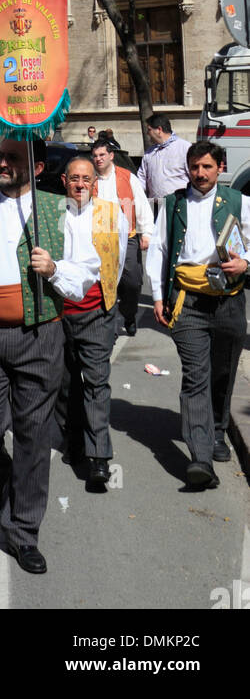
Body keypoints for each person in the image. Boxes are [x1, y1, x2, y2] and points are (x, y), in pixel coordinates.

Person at [0, 136, 97, 575]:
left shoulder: (59, 208)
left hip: (39, 337)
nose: (2, 164)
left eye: (12, 158)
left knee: (33, 436)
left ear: (39, 165)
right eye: (1, 156)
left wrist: (55, 270)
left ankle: (24, 531)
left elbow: (86, 274)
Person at [148, 139, 250, 488]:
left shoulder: (240, 202)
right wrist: (159, 297)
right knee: (196, 376)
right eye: (194, 167)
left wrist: (245, 262)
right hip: (187, 303)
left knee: (222, 372)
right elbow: (159, 250)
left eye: (207, 166)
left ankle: (218, 431)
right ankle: (200, 458)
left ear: (220, 168)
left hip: (229, 302)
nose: (200, 173)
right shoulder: (174, 203)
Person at [55, 156, 128, 489]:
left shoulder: (112, 214)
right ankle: (72, 443)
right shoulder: (53, 214)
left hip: (96, 313)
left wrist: (108, 305)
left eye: (86, 178)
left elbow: (118, 260)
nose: (80, 184)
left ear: (94, 183)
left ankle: (99, 457)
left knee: (97, 383)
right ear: (64, 182)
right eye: (74, 179)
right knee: (66, 384)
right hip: (58, 314)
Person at [91, 137, 154, 336]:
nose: (98, 159)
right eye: (95, 156)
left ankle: (129, 315)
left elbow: (142, 205)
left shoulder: (127, 177)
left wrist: (147, 233)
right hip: (99, 238)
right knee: (103, 281)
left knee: (132, 281)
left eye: (102, 155)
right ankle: (107, 322)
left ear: (111, 156)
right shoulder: (89, 178)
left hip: (128, 237)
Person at [137, 113, 191, 209]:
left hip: (178, 205)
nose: (147, 133)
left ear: (159, 130)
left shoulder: (184, 148)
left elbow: (193, 176)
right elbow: (141, 179)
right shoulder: (149, 153)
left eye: (149, 130)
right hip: (154, 206)